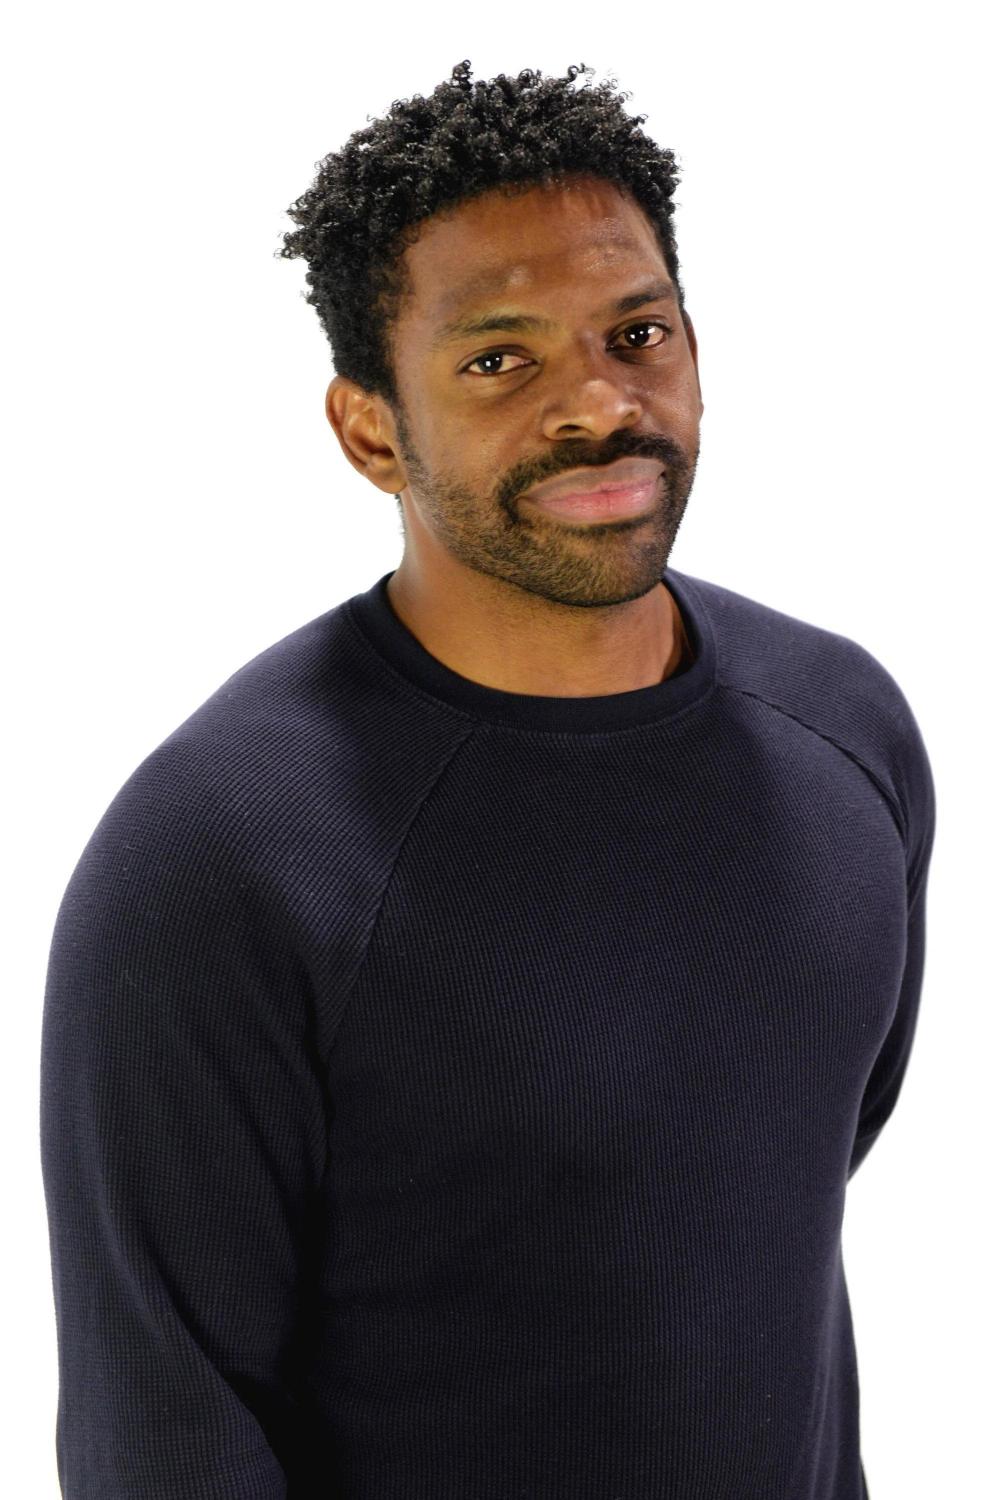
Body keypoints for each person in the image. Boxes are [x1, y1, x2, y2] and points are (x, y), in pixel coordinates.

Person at [39, 60, 935, 1500]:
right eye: (499, 361)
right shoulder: (223, 852)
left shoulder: (845, 729)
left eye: (637, 333)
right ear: (370, 430)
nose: (600, 402)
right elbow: (165, 1430)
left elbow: (776, 1174)